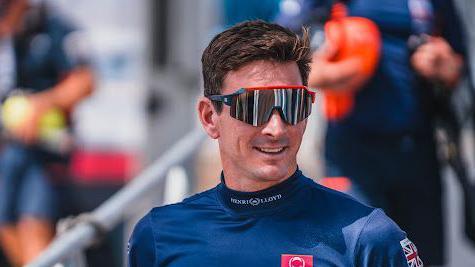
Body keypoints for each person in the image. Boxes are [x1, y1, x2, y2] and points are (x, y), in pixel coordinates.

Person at [128, 20, 423, 266]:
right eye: (254, 106)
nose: (276, 127)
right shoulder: (158, 236)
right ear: (209, 117)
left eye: (292, 104)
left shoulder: (368, 237)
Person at [277, 0, 466, 265]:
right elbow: (283, 41)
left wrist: (447, 65)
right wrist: (315, 70)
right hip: (352, 153)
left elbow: (459, 63)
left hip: (418, 152)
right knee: (352, 255)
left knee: (423, 259)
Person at [0, 0, 94, 265]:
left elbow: (86, 81)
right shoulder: (10, 34)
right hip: (10, 152)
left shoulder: (55, 27)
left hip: (46, 151)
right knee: (5, 224)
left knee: (33, 222)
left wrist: (41, 105)